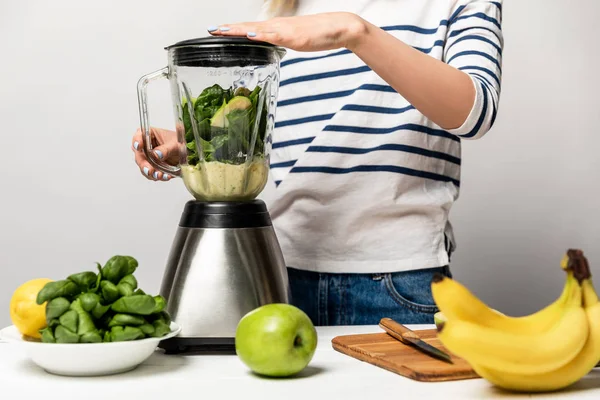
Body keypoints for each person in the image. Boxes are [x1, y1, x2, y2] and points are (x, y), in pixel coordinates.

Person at [131, 0, 503, 326]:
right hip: (280, 273)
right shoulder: (282, 9)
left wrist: (355, 32)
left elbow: (476, 112)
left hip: (398, 282)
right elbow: (278, 142)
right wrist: (205, 148)